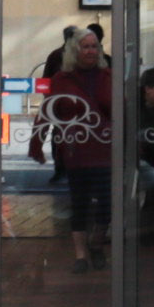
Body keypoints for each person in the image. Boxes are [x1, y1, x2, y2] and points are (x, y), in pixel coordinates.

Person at [39, 25, 116, 271]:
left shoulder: (109, 76)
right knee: (79, 202)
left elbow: (121, 110)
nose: (91, 51)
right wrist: (38, 140)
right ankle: (81, 255)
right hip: (76, 150)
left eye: (94, 47)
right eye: (86, 47)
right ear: (75, 50)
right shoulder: (61, 79)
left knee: (106, 201)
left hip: (104, 149)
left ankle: (97, 243)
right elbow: (48, 109)